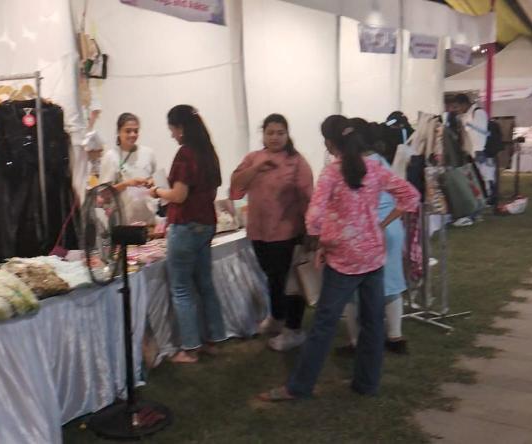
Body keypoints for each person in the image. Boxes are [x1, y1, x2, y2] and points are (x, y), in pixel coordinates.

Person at [258, 115, 419, 402]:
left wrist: (325, 238)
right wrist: (379, 224)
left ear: (330, 144)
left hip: (343, 261)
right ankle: (367, 383)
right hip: (373, 257)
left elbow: (313, 219)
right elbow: (411, 196)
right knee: (373, 322)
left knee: (324, 325)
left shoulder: (332, 173)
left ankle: (299, 387)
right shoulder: (375, 167)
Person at [229, 114, 314, 351]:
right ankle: (277, 317)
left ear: (287, 134)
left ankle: (294, 329)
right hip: (259, 232)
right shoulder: (253, 158)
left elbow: (308, 198)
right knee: (272, 278)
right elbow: (235, 186)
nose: (275, 137)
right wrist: (256, 168)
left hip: (288, 233)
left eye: (280, 133)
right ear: (263, 135)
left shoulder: (296, 162)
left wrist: (311, 231)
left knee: (291, 281)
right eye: (270, 133)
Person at [149, 104, 226, 363]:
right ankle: (215, 338)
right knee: (205, 283)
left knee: (181, 287)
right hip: (206, 223)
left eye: (172, 129)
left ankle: (190, 348)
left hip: (186, 225)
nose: (171, 134)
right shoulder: (208, 152)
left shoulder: (185, 154)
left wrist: (157, 191)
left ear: (180, 128)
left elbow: (179, 195)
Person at [338, 120, 410, 356]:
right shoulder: (381, 161)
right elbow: (405, 197)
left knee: (351, 288)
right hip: (389, 229)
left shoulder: (352, 166)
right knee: (391, 283)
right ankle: (395, 337)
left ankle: (357, 341)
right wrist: (386, 222)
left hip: (366, 232)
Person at [100, 112, 158, 225]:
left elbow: (157, 182)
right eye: (128, 131)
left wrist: (152, 182)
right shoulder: (111, 156)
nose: (132, 134)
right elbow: (104, 194)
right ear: (118, 132)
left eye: (136, 131)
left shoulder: (148, 153)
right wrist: (127, 184)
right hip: (124, 221)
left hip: (149, 218)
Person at [451, 94, 491, 226]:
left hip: (478, 153)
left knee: (480, 181)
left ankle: (480, 210)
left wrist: (478, 152)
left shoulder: (478, 113)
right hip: (471, 153)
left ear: (464, 104)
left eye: (457, 107)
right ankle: (477, 209)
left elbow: (480, 134)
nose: (456, 110)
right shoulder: (466, 115)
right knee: (475, 181)